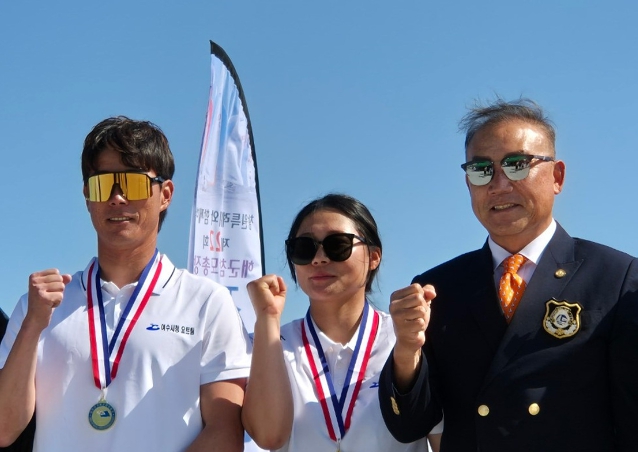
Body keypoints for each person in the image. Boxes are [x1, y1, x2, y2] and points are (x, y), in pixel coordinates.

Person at [379, 98, 638, 451]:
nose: (499, 184)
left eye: (517, 165)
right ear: (468, 183)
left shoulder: (616, 278)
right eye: (481, 170)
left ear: (557, 176)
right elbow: (410, 425)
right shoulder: (439, 289)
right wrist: (407, 352)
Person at [0, 116, 252, 451]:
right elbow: (4, 429)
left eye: (133, 183)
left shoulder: (206, 301)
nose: (117, 198)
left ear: (165, 194)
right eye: (103, 184)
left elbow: (225, 431)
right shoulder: (38, 307)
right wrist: (33, 325)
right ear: (87, 196)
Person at [241, 194, 436, 452]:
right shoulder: (269, 345)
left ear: (374, 256)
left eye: (338, 244)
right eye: (304, 247)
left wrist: (410, 345)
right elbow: (269, 437)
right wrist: (267, 317)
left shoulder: (410, 336)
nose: (319, 258)